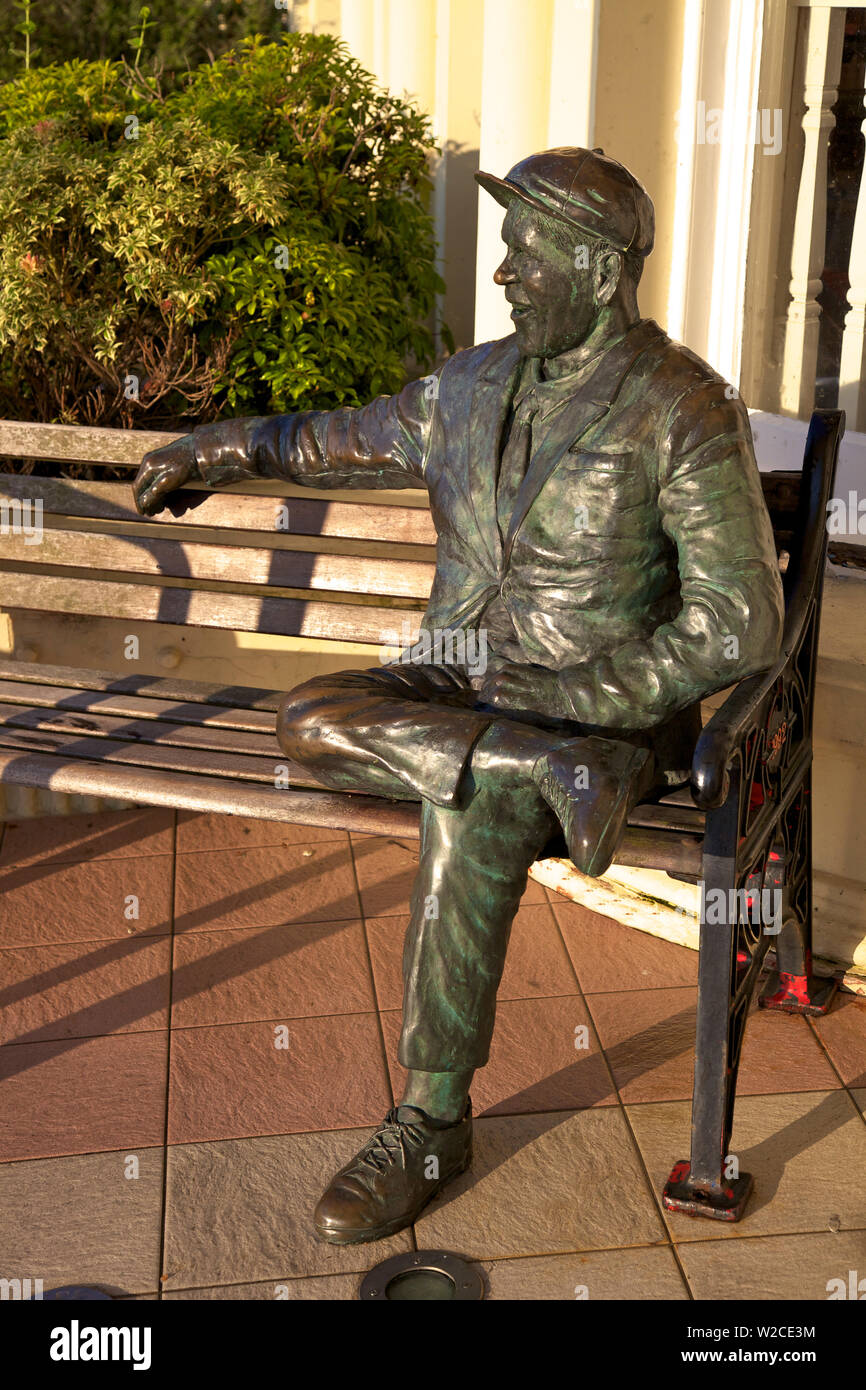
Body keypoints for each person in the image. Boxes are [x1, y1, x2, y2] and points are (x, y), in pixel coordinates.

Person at [133, 147, 784, 1246]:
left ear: (594, 265)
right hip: (460, 678)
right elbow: (331, 442)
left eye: (525, 253)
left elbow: (736, 620)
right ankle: (526, 762)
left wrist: (582, 692)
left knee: (463, 806)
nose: (504, 273)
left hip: (597, 711)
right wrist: (215, 445)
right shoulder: (470, 384)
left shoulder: (680, 405)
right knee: (306, 717)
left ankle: (431, 1119)